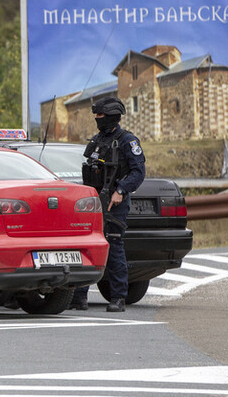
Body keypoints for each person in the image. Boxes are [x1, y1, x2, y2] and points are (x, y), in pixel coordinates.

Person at [71, 97, 145, 312]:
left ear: (111, 116)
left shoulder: (127, 141)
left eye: (100, 115)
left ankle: (118, 298)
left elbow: (138, 172)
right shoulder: (97, 140)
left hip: (115, 202)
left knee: (113, 247)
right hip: (93, 201)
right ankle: (79, 298)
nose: (97, 118)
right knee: (87, 247)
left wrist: (121, 190)